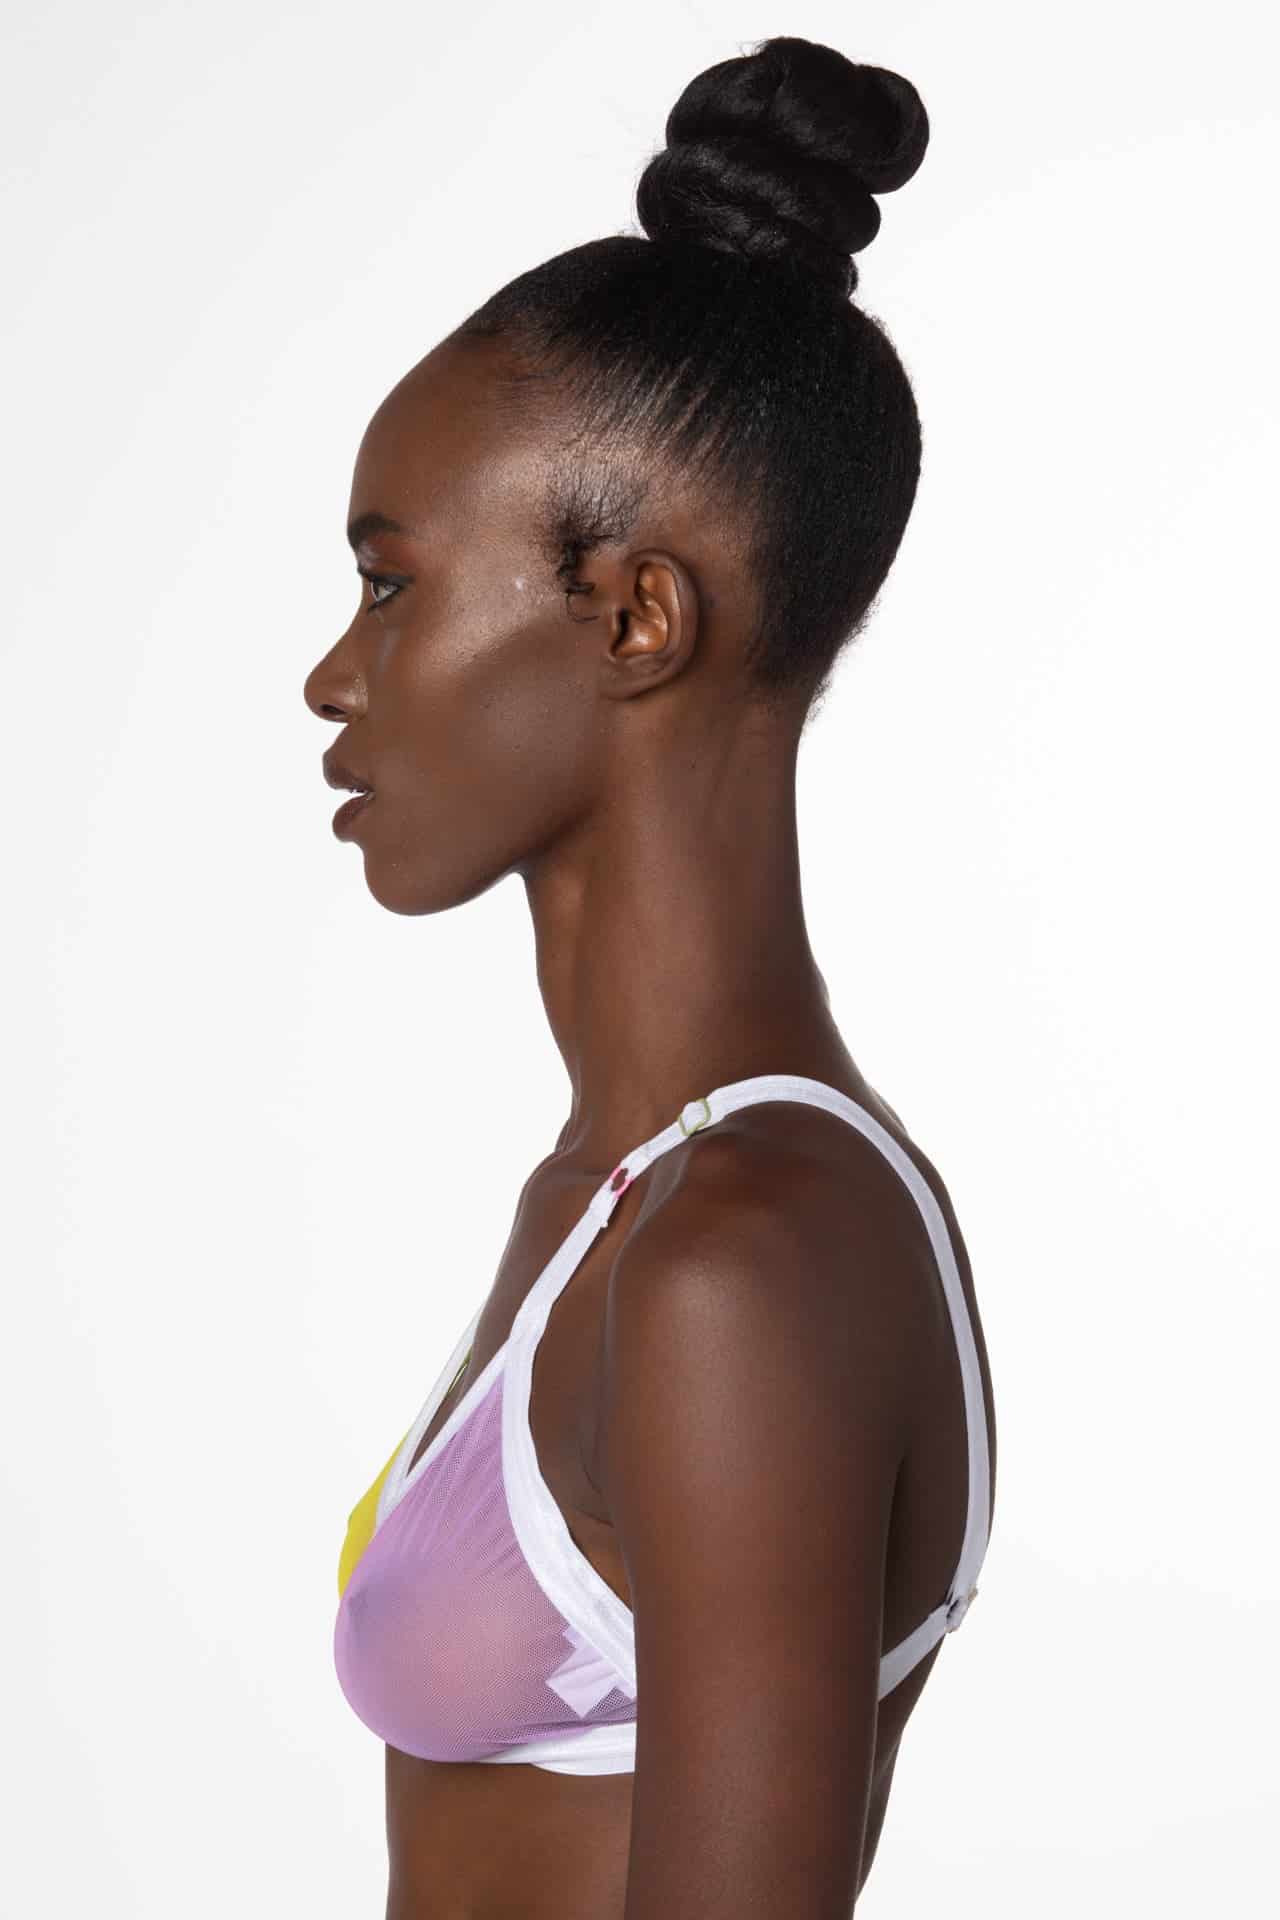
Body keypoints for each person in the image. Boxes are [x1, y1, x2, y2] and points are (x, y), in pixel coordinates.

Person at [303, 33, 997, 1919]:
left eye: (390, 583)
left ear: (636, 619)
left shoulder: (742, 1258)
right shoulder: (616, 1196)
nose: (334, 677)